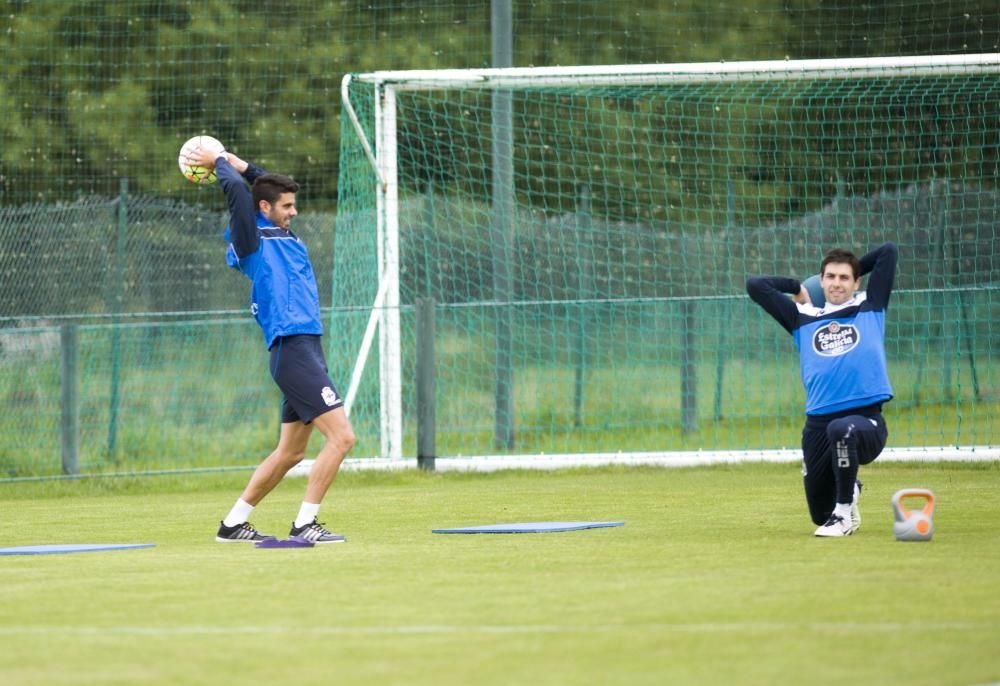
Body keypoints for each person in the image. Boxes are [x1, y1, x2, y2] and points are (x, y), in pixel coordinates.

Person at [189, 144, 357, 544]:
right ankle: (305, 524)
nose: (293, 212)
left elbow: (260, 181)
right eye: (286, 206)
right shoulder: (251, 239)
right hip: (292, 349)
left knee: (290, 453)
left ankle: (232, 524)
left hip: (305, 349)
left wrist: (238, 161)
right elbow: (237, 194)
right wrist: (218, 162)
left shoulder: (280, 231)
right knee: (343, 437)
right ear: (263, 208)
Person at [746, 242, 898, 537]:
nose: (836, 283)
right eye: (830, 277)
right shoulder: (802, 317)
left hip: (864, 422)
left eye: (844, 277)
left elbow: (887, 252)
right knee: (819, 514)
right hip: (817, 425)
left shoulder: (870, 306)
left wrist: (855, 267)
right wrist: (797, 288)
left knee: (842, 429)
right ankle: (848, 490)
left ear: (857, 282)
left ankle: (843, 516)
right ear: (821, 279)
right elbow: (756, 285)